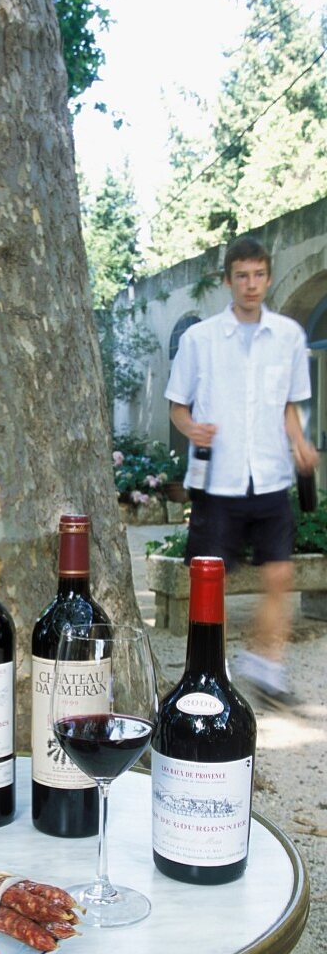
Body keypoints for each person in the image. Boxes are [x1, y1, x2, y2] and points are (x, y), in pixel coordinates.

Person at [165, 235, 319, 702]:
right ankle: (204, 674)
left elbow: (290, 405)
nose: (251, 285)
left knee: (280, 576)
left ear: (268, 278)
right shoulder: (200, 339)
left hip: (270, 478)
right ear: (228, 281)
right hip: (218, 482)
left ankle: (265, 666)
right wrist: (192, 429)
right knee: (209, 584)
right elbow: (177, 406)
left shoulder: (290, 337)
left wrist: (300, 442)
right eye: (241, 276)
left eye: (258, 275)